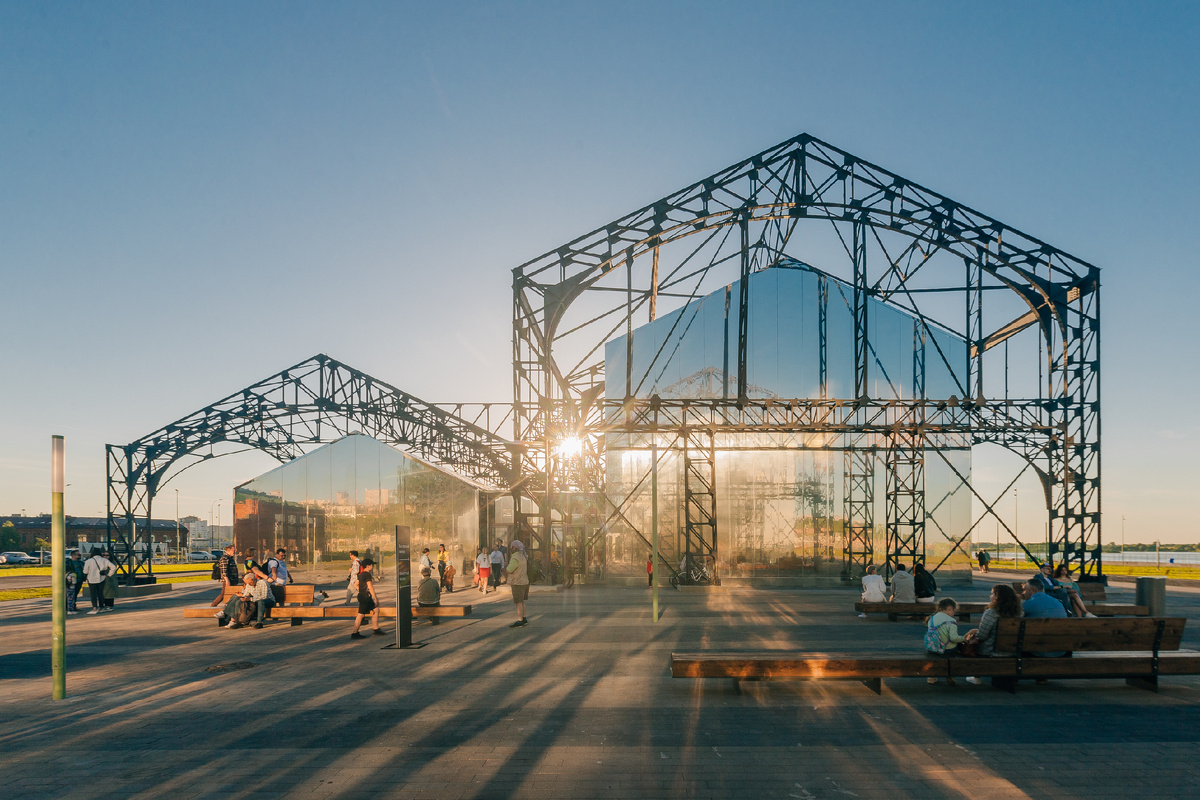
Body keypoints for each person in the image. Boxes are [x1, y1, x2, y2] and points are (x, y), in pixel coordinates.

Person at [961, 583, 1023, 680]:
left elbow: (982, 636)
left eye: (992, 594)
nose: (990, 596)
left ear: (997, 597)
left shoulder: (991, 613)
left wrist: (974, 632)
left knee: (969, 643)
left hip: (992, 650)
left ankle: (976, 677)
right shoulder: (1020, 612)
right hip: (1012, 650)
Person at [1021, 577, 1068, 660]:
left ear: (1033, 590)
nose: (1023, 593)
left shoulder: (1028, 604)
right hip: (1061, 650)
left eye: (1025, 590)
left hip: (1038, 651)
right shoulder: (1058, 602)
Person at [924, 598, 967, 684]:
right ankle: (950, 676)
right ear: (950, 608)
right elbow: (953, 638)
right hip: (947, 650)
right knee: (957, 649)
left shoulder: (931, 619)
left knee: (933, 658)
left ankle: (931, 677)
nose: (954, 614)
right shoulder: (951, 621)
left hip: (933, 648)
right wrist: (963, 638)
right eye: (954, 611)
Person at [350, 558, 384, 639]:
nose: (372, 566)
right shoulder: (367, 574)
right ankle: (355, 633)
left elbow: (355, 584)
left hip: (362, 596)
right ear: (368, 566)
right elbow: (370, 586)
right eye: (372, 565)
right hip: (366, 597)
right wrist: (375, 598)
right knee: (360, 615)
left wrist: (360, 590)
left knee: (376, 610)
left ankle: (376, 629)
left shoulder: (361, 574)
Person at [83, 548, 116, 615]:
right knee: (100, 593)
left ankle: (94, 607)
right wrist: (109, 574)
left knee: (93, 594)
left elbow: (85, 571)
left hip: (91, 579)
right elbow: (113, 567)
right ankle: (101, 607)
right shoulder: (104, 560)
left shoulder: (89, 561)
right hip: (101, 578)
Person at [507, 540, 530, 628]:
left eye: (512, 547)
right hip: (525, 581)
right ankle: (524, 618)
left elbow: (509, 569)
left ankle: (520, 620)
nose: (511, 548)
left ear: (515, 548)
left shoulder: (515, 558)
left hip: (517, 582)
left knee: (518, 602)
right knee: (523, 601)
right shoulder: (524, 556)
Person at [65, 550, 85, 615]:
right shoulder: (68, 562)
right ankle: (67, 607)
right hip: (70, 581)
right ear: (73, 555)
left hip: (79, 580)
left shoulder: (81, 563)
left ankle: (73, 606)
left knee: (75, 594)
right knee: (69, 594)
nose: (80, 556)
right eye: (78, 555)